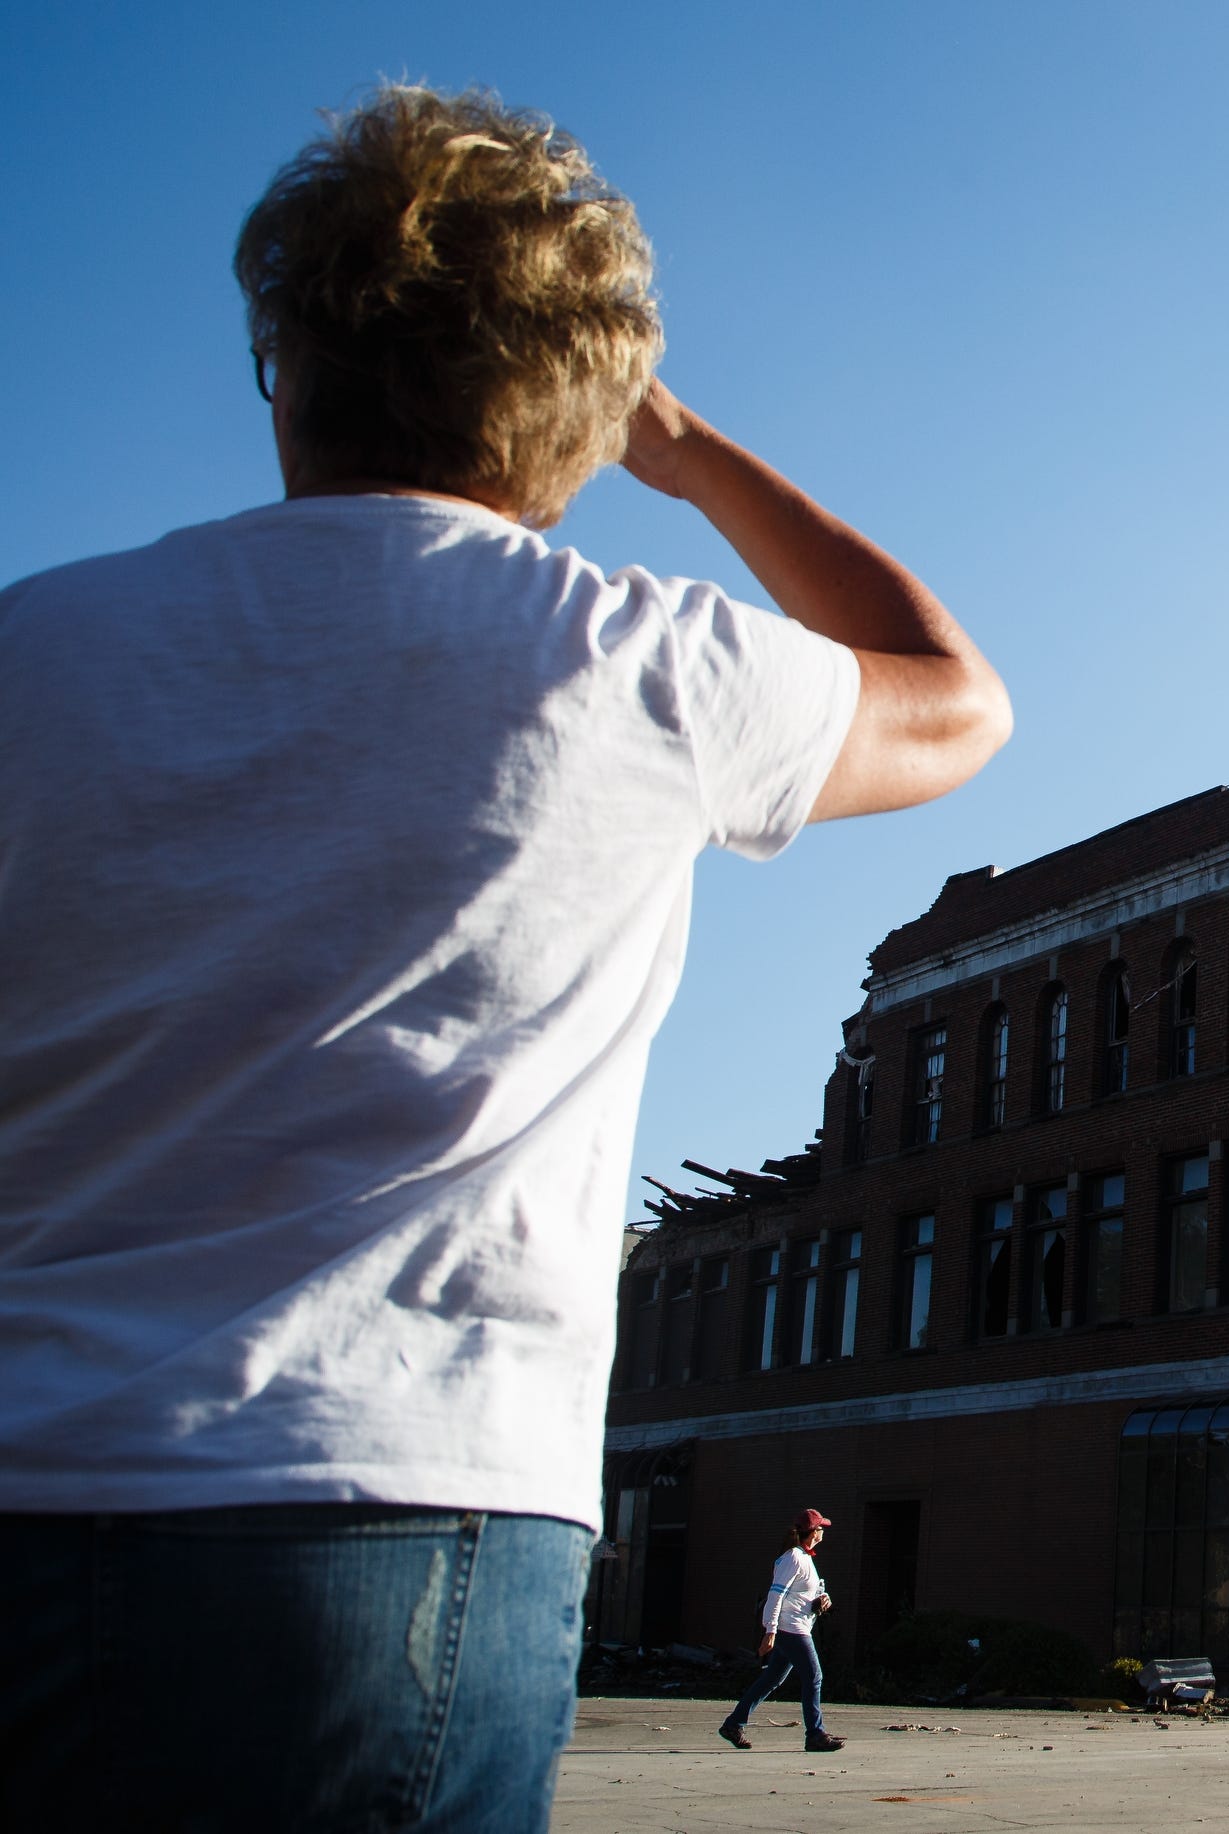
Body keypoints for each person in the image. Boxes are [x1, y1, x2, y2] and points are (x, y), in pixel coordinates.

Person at [0, 83, 1008, 1830]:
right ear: (578, 408)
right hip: (392, 1499)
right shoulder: (640, 665)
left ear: (288, 366)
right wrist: (681, 452)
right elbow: (949, 692)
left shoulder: (37, 644)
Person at [721, 1508, 843, 1752]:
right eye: (821, 1528)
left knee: (772, 1678)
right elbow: (775, 1596)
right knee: (814, 1676)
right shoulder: (793, 1558)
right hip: (791, 1629)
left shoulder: (805, 1558)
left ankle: (733, 1724)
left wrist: (822, 1600)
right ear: (813, 1531)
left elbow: (803, 1594)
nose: (823, 1532)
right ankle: (815, 1735)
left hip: (796, 1626)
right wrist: (770, 1631)